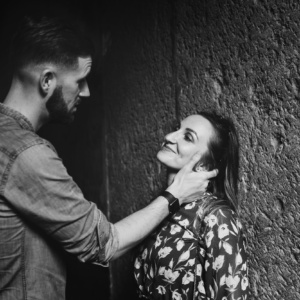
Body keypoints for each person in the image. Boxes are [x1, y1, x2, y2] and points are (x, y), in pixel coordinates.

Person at [0, 16, 218, 300]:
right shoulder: (27, 154)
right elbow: (103, 245)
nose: (87, 91)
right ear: (47, 81)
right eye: (80, 81)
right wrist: (175, 193)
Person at [134, 112, 250, 299]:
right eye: (175, 130)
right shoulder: (161, 206)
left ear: (205, 165)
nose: (169, 137)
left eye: (187, 137)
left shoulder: (217, 217)